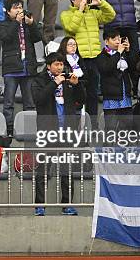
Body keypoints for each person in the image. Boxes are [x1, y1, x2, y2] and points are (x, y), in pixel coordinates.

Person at [32, 53, 84, 216]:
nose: (60, 67)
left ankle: (67, 204)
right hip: (48, 132)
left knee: (67, 170)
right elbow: (38, 100)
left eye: (61, 64)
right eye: (56, 64)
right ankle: (39, 205)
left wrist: (77, 86)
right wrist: (54, 83)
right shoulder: (39, 80)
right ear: (48, 66)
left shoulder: (68, 80)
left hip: (67, 131)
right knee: (43, 170)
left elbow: (81, 101)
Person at [60, 0, 116, 117]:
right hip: (78, 58)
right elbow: (71, 28)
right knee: (78, 92)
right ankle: (77, 122)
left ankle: (93, 123)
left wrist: (100, 3)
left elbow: (111, 15)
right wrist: (80, 10)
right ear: (72, 0)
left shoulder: (93, 13)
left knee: (93, 93)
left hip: (95, 57)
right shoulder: (66, 14)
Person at [0, 0, 41, 135]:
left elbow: (37, 37)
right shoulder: (3, 25)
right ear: (8, 11)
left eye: (20, 7)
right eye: (15, 8)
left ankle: (29, 130)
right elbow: (5, 38)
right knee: (9, 103)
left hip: (28, 68)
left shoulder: (27, 24)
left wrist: (32, 24)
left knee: (30, 102)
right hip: (11, 68)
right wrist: (16, 23)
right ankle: (9, 130)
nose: (19, 10)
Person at [96, 29, 136, 132]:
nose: (118, 41)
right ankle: (109, 148)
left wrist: (128, 51)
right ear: (106, 41)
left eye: (119, 39)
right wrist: (118, 53)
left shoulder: (124, 54)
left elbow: (134, 68)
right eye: (114, 39)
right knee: (111, 129)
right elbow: (106, 69)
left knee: (127, 128)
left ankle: (126, 148)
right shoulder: (101, 56)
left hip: (125, 96)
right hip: (111, 97)